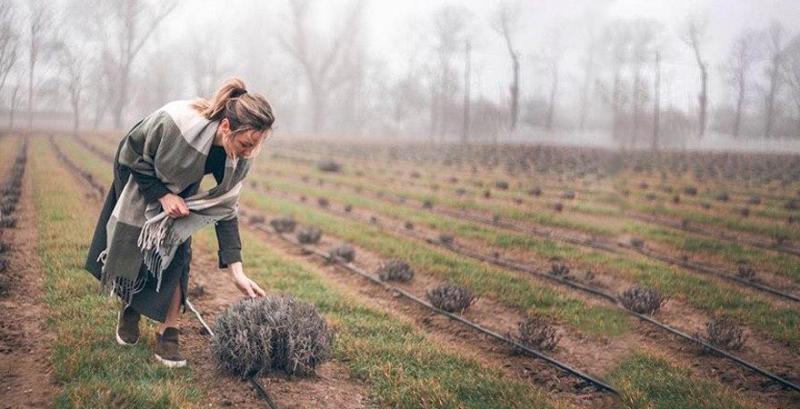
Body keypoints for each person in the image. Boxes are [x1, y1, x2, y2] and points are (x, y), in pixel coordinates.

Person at [84, 77, 275, 368]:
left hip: (182, 185)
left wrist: (237, 271)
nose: (249, 152)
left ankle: (168, 333)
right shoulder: (176, 124)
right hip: (139, 172)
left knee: (179, 253)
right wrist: (161, 195)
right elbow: (130, 154)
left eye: (256, 146)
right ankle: (130, 307)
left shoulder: (238, 157)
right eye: (246, 143)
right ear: (226, 127)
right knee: (137, 247)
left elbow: (225, 208)